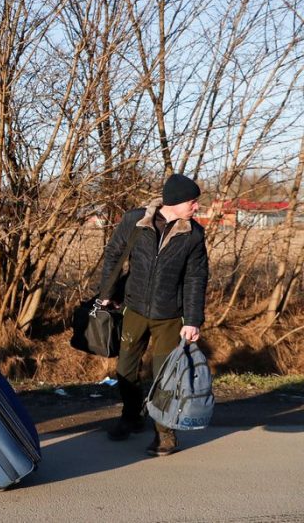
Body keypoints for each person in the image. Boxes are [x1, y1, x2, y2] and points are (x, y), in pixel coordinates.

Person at [98, 173, 208, 456]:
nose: (196, 207)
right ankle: (132, 417)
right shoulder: (135, 220)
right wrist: (106, 293)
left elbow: (197, 278)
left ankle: (165, 433)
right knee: (125, 369)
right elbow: (113, 254)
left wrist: (193, 320)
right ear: (175, 201)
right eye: (193, 202)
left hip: (170, 316)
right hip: (133, 308)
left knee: (165, 376)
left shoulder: (193, 234)